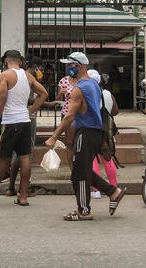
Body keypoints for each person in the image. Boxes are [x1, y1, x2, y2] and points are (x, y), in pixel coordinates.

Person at [45, 52, 126, 221]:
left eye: (70, 65)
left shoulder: (79, 89)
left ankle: (84, 210)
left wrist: (54, 136)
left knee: (79, 173)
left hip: (86, 133)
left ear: (79, 66)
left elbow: (69, 116)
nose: (68, 68)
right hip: (93, 132)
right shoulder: (93, 84)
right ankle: (113, 192)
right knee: (81, 171)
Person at [0, 50, 47, 207]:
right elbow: (44, 94)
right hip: (25, 122)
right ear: (20, 61)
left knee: (1, 158)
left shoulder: (4, 75)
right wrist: (31, 110)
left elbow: (1, 99)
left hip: (10, 123)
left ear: (6, 61)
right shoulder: (28, 76)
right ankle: (23, 196)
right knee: (24, 157)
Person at [7, 57, 45, 197]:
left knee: (17, 154)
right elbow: (33, 97)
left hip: (16, 118)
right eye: (40, 70)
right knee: (25, 155)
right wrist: (40, 104)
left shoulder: (18, 76)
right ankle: (22, 190)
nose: (41, 73)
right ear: (35, 67)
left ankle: (11, 187)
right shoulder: (27, 77)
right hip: (27, 117)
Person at [87, 69, 119, 200]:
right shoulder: (107, 93)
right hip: (107, 130)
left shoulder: (87, 92)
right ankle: (114, 187)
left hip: (92, 129)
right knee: (107, 157)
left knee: (92, 158)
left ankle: (96, 190)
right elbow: (115, 111)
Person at [56, 63, 79, 169]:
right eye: (69, 65)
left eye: (72, 65)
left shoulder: (83, 80)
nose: (70, 68)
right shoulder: (63, 81)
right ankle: (73, 170)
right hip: (67, 113)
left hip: (80, 114)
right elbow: (58, 99)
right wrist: (61, 93)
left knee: (81, 142)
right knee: (70, 143)